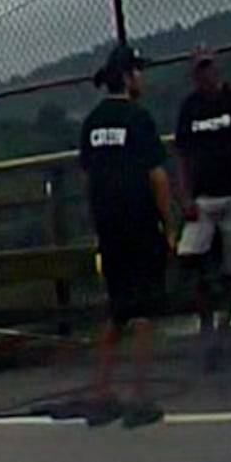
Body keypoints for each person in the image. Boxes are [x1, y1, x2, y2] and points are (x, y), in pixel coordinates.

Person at [77, 43, 174, 429]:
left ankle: (100, 393)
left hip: (108, 224)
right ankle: (138, 395)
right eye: (138, 72)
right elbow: (157, 175)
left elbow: (87, 177)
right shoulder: (138, 118)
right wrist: (168, 224)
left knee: (117, 310)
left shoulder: (93, 122)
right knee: (145, 311)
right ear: (129, 76)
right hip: (139, 222)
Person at [173, 46, 231, 371]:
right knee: (191, 257)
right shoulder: (189, 109)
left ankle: (222, 332)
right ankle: (207, 326)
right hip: (204, 197)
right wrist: (185, 198)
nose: (206, 75)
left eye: (209, 68)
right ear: (194, 75)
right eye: (200, 70)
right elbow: (181, 154)